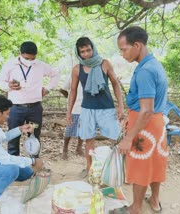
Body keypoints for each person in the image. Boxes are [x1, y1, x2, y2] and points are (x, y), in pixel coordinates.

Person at [117, 26, 168, 214]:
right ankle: (154, 201)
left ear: (137, 45)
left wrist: (129, 137)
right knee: (154, 162)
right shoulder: (154, 64)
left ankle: (135, 207)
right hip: (157, 125)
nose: (122, 54)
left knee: (139, 164)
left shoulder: (145, 70)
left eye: (124, 49)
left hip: (145, 127)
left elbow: (146, 111)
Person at [66, 37, 124, 176]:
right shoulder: (76, 69)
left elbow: (115, 84)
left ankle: (118, 168)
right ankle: (89, 168)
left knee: (115, 138)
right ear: (78, 53)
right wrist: (69, 111)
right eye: (82, 52)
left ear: (93, 48)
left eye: (88, 50)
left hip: (106, 108)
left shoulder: (104, 64)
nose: (86, 54)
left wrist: (120, 105)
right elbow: (72, 91)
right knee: (89, 140)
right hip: (87, 109)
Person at [0, 41, 59, 157]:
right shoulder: (10, 65)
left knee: (34, 137)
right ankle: (14, 165)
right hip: (15, 108)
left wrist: (48, 88)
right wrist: (8, 86)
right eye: (26, 58)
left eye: (32, 59)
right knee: (13, 137)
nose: (29, 61)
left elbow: (55, 74)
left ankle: (34, 163)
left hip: (35, 108)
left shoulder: (40, 65)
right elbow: (0, 81)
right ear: (20, 53)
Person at [59, 73, 84, 160]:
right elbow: (62, 89)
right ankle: (65, 149)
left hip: (86, 108)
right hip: (74, 107)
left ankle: (79, 148)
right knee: (69, 130)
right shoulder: (73, 74)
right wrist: (69, 97)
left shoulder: (91, 74)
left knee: (83, 130)